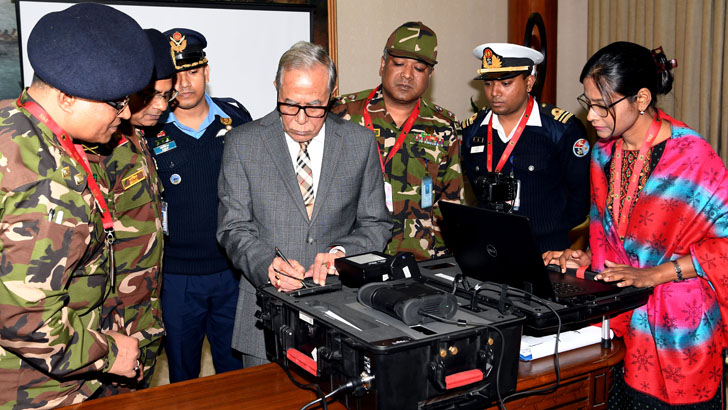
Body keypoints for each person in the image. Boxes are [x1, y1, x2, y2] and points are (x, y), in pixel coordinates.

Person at [544, 42, 727, 409]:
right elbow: (610, 240)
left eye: (602, 105)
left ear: (641, 99)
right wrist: (584, 264)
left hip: (683, 333)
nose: (592, 117)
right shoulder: (602, 154)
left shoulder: (692, 156)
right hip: (624, 324)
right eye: (588, 102)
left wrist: (658, 273)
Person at [0, 3, 153, 407]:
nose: (125, 114)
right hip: (33, 390)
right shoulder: (48, 183)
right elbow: (27, 322)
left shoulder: (12, 123)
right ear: (66, 97)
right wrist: (110, 353)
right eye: (115, 102)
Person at [217, 41, 392, 368]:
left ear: (332, 93)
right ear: (276, 88)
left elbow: (376, 224)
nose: (300, 119)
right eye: (289, 104)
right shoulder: (243, 143)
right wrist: (267, 265)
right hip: (264, 316)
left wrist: (342, 254)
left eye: (314, 106)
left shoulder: (359, 143)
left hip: (342, 312)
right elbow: (233, 228)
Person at [145, 28, 252, 383]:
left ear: (206, 71)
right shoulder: (148, 130)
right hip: (176, 278)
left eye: (192, 71)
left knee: (236, 375)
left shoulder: (236, 120)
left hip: (232, 273)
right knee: (182, 378)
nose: (184, 84)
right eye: (175, 75)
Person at [331, 21, 462, 261]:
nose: (407, 75)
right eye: (399, 64)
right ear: (383, 65)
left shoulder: (443, 126)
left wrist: (444, 263)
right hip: (353, 257)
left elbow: (450, 205)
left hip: (420, 261)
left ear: (430, 75)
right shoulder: (342, 113)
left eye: (419, 68)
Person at [94, 28, 175, 392]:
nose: (160, 106)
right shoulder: (100, 145)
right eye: (150, 96)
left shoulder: (139, 138)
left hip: (144, 309)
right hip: (108, 326)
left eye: (166, 96)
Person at [461, 43, 590, 252]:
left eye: (505, 83)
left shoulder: (561, 129)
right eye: (488, 84)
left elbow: (580, 197)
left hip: (547, 251)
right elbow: (476, 191)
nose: (495, 92)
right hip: (492, 248)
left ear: (529, 82)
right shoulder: (473, 130)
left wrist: (560, 234)